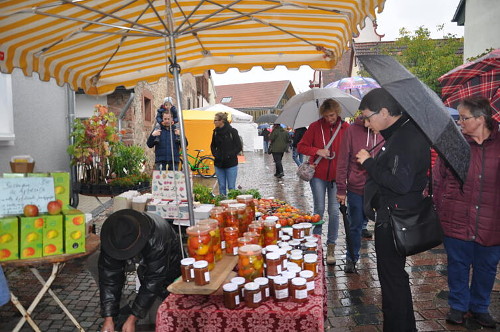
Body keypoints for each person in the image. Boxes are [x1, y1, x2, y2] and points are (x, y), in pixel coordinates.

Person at [355, 88, 430, 332]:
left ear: (385, 112)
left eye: (369, 117)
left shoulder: (406, 137)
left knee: (392, 279)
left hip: (395, 218)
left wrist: (369, 162)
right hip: (393, 215)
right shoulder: (401, 133)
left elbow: (399, 183)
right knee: (394, 277)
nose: (367, 123)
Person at [433, 97, 499, 328]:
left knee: (487, 267)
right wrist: (441, 208)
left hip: (493, 220)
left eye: (464, 118)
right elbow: (438, 179)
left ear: (481, 119)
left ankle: (480, 307)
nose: (459, 122)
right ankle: (458, 306)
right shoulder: (454, 144)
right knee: (457, 264)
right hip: (456, 216)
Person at [98, 209, 182, 332]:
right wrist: (108, 318)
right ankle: (120, 314)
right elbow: (109, 278)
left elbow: (154, 281)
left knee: (157, 321)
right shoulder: (114, 236)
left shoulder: (158, 240)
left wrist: (133, 318)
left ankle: (134, 315)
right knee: (94, 260)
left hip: (167, 272)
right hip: (145, 264)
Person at [297, 98, 349, 265]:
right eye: (326, 116)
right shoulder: (315, 127)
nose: (329, 119)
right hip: (318, 175)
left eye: (332, 115)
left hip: (337, 177)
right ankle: (316, 243)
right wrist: (317, 150)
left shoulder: (346, 128)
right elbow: (301, 146)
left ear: (338, 112)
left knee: (334, 212)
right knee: (319, 209)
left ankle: (331, 246)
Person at [336, 115, 383, 273]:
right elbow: (342, 161)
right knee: (355, 225)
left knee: (383, 226)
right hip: (357, 188)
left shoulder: (384, 129)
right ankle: (351, 258)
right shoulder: (351, 131)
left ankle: (384, 261)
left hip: (380, 188)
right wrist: (341, 189)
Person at [210, 112, 243, 196]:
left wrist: (230, 155)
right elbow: (212, 145)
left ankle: (232, 205)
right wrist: (216, 154)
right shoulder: (215, 132)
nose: (214, 122)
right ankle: (222, 203)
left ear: (222, 121)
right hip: (219, 163)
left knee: (231, 187)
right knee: (222, 186)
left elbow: (239, 146)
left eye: (216, 120)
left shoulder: (232, 131)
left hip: (231, 163)